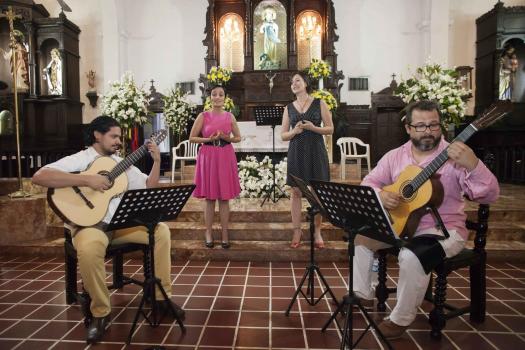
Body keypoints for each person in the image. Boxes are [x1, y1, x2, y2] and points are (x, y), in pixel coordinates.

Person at [353, 100, 499, 339]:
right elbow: (369, 182)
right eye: (420, 126)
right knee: (361, 238)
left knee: (411, 255)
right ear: (408, 128)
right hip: (401, 223)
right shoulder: (395, 156)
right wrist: (382, 194)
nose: (428, 131)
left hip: (444, 230)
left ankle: (400, 319)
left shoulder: (456, 155)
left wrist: (473, 165)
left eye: (433, 125)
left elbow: (490, 194)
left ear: (440, 126)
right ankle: (362, 294)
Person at [31, 116, 184, 344]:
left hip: (119, 225)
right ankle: (101, 312)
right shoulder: (81, 159)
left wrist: (154, 162)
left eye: (119, 137)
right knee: (90, 249)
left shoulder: (120, 163)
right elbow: (40, 176)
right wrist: (87, 180)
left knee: (160, 231)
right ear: (97, 135)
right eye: (113, 136)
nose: (117, 142)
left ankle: (161, 298)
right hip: (89, 225)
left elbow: (149, 187)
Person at [281, 71, 333, 249]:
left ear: (305, 83)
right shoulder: (288, 108)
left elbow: (330, 129)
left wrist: (313, 128)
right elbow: (283, 135)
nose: (294, 84)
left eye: (297, 80)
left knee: (317, 192)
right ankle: (297, 230)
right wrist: (294, 132)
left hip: (316, 150)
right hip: (296, 151)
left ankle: (317, 230)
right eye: (292, 82)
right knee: (296, 192)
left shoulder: (319, 103)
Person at [189, 85, 241, 249]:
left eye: (221, 94)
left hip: (225, 155)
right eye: (214, 94)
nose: (217, 97)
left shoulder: (230, 116)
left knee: (224, 198)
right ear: (210, 97)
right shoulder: (203, 116)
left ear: (225, 98)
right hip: (209, 156)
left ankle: (225, 233)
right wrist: (208, 140)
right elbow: (192, 138)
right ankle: (208, 232)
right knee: (210, 199)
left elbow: (238, 137)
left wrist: (226, 137)